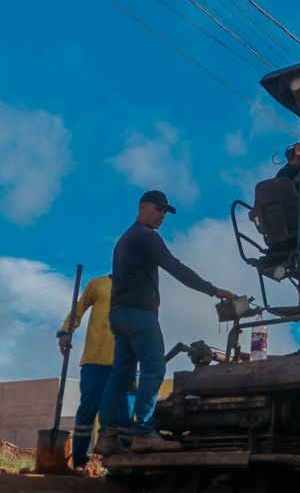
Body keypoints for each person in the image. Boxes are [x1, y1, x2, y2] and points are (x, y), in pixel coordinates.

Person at [94, 190, 236, 455]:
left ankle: (106, 437)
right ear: (142, 207)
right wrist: (213, 290)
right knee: (154, 369)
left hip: (120, 314)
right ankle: (145, 432)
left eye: (164, 212)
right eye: (157, 209)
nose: (161, 216)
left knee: (120, 377)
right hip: (139, 314)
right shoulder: (146, 236)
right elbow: (175, 267)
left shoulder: (124, 240)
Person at [56, 275, 128, 470]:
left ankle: (121, 466)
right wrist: (65, 332)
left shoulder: (141, 287)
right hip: (95, 360)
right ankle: (78, 461)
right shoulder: (98, 284)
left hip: (125, 363)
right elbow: (78, 310)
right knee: (88, 411)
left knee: (123, 415)